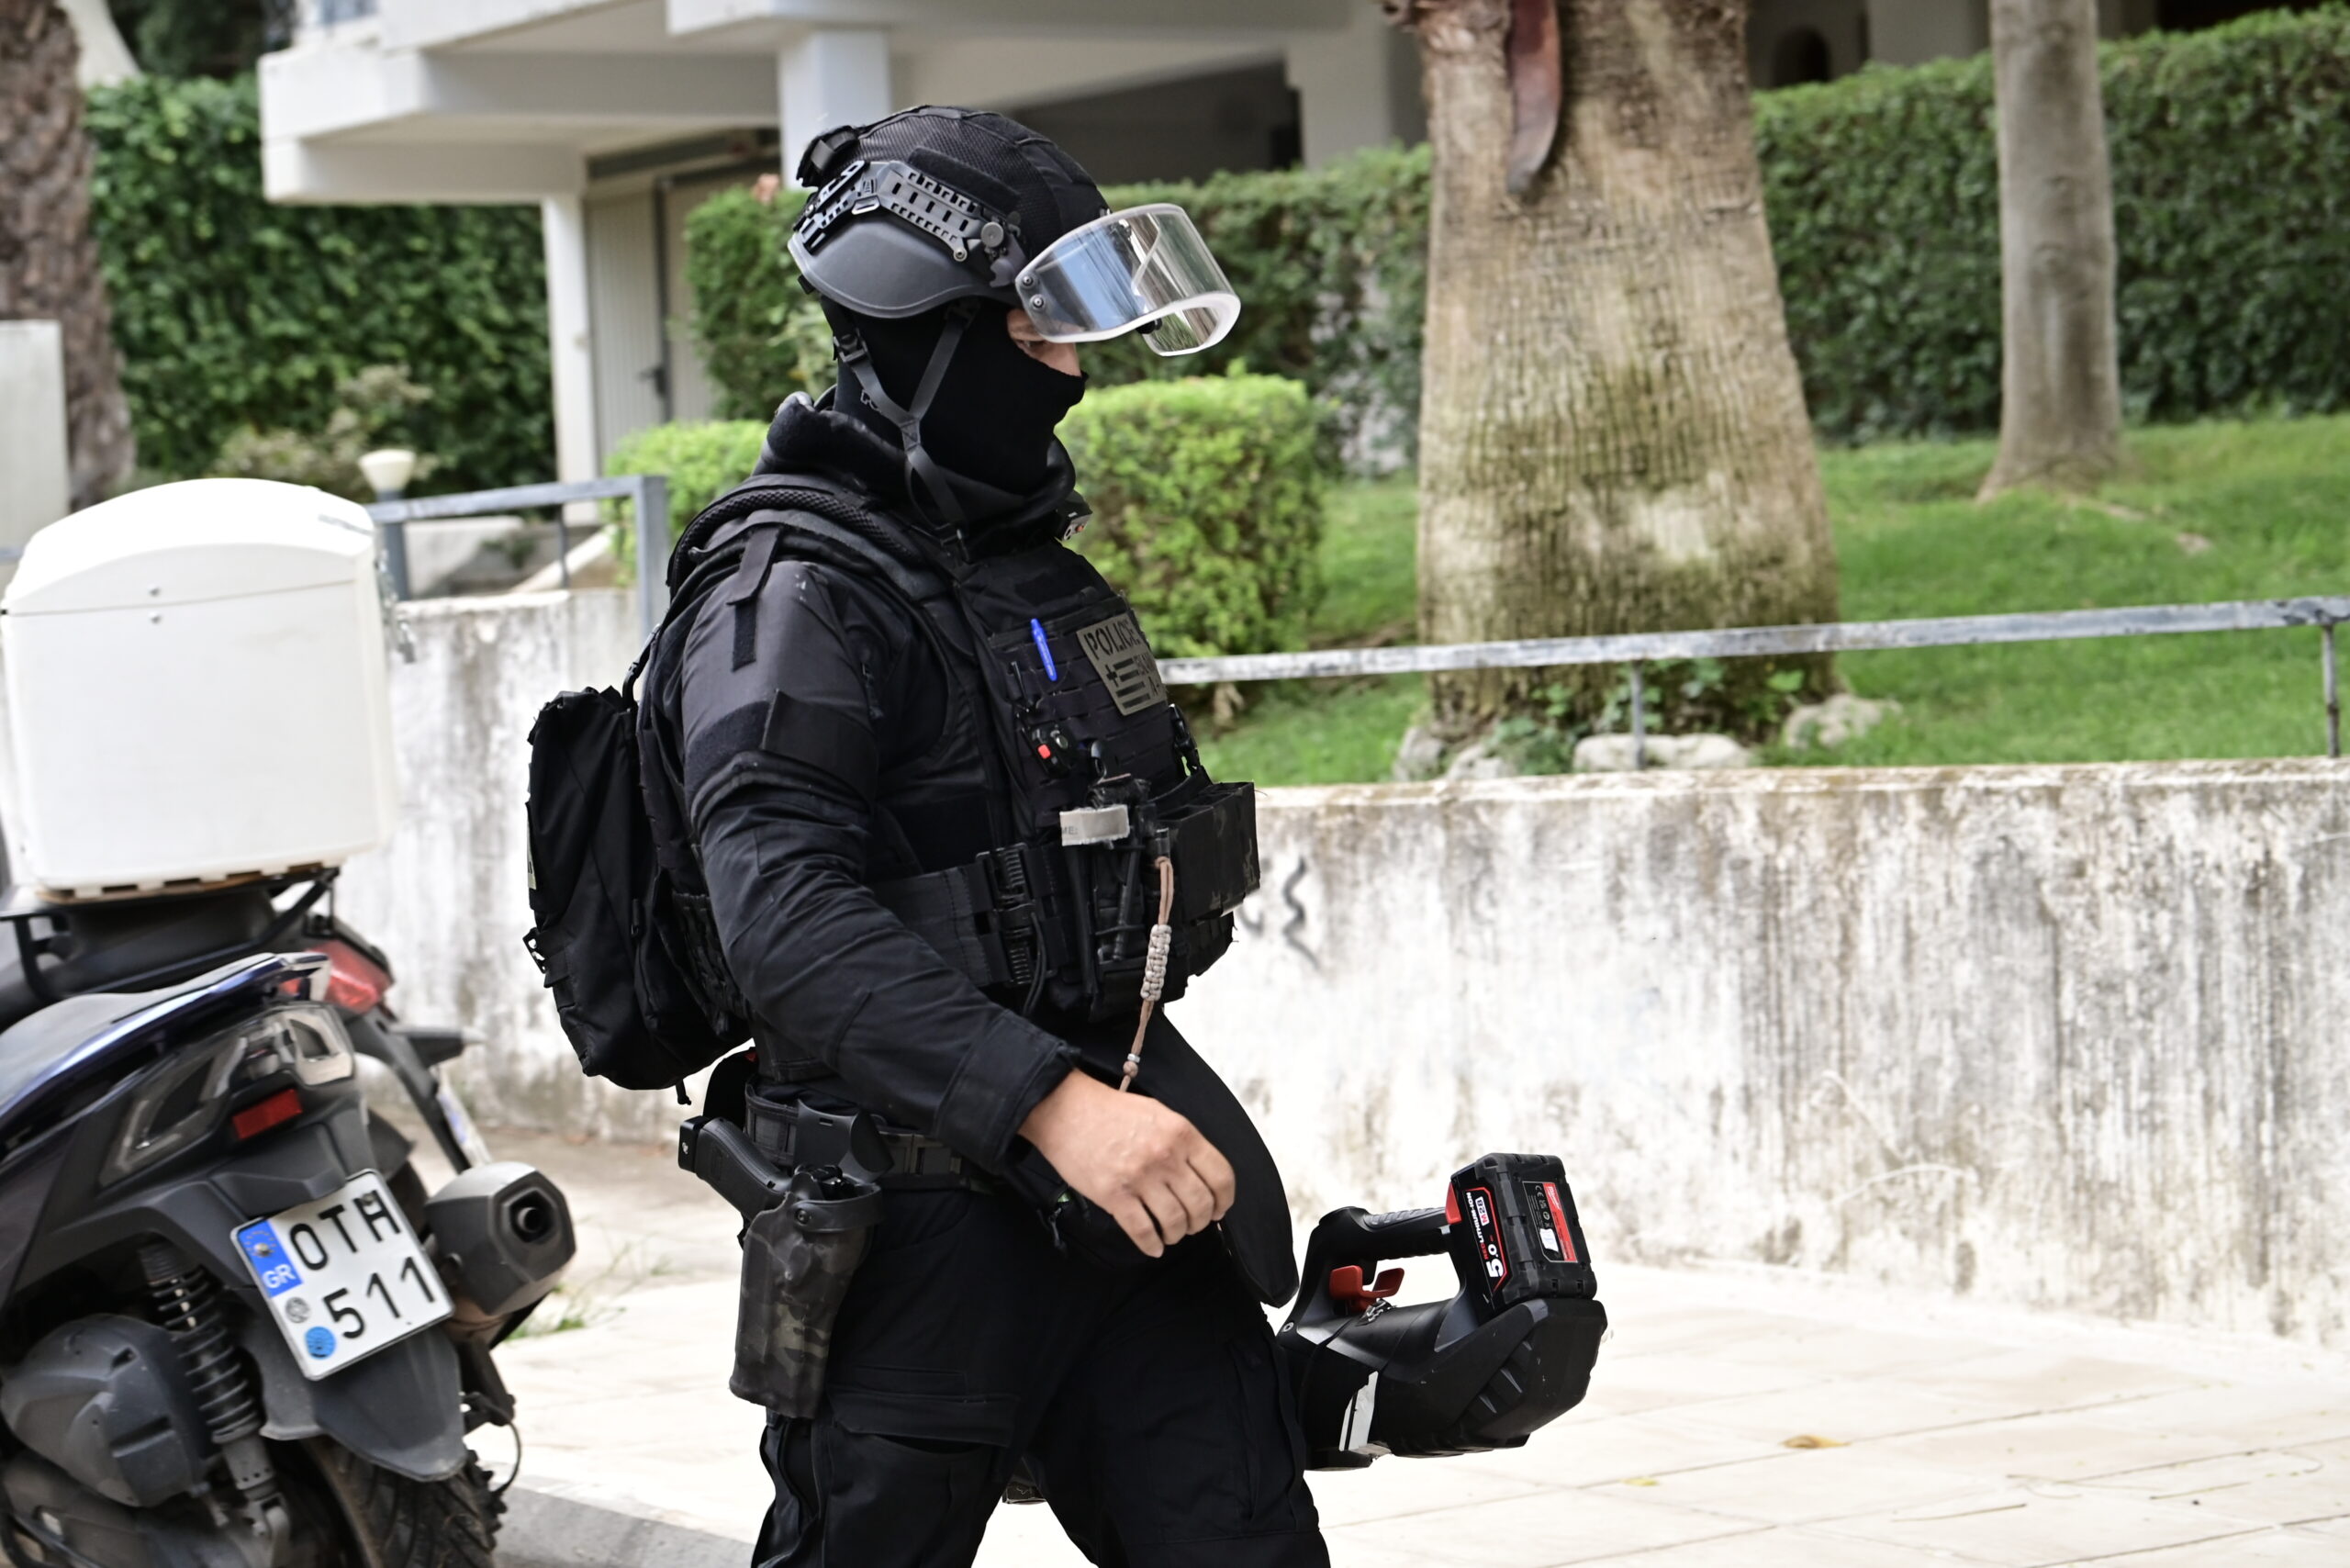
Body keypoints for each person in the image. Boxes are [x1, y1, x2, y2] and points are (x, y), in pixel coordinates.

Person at [637, 106, 1329, 1568]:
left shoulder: (1020, 570)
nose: (1071, 374)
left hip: (1122, 1193)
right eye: (1037, 334)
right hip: (915, 1225)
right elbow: (786, 927)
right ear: (928, 334)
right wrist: (1050, 1107)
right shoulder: (791, 592)